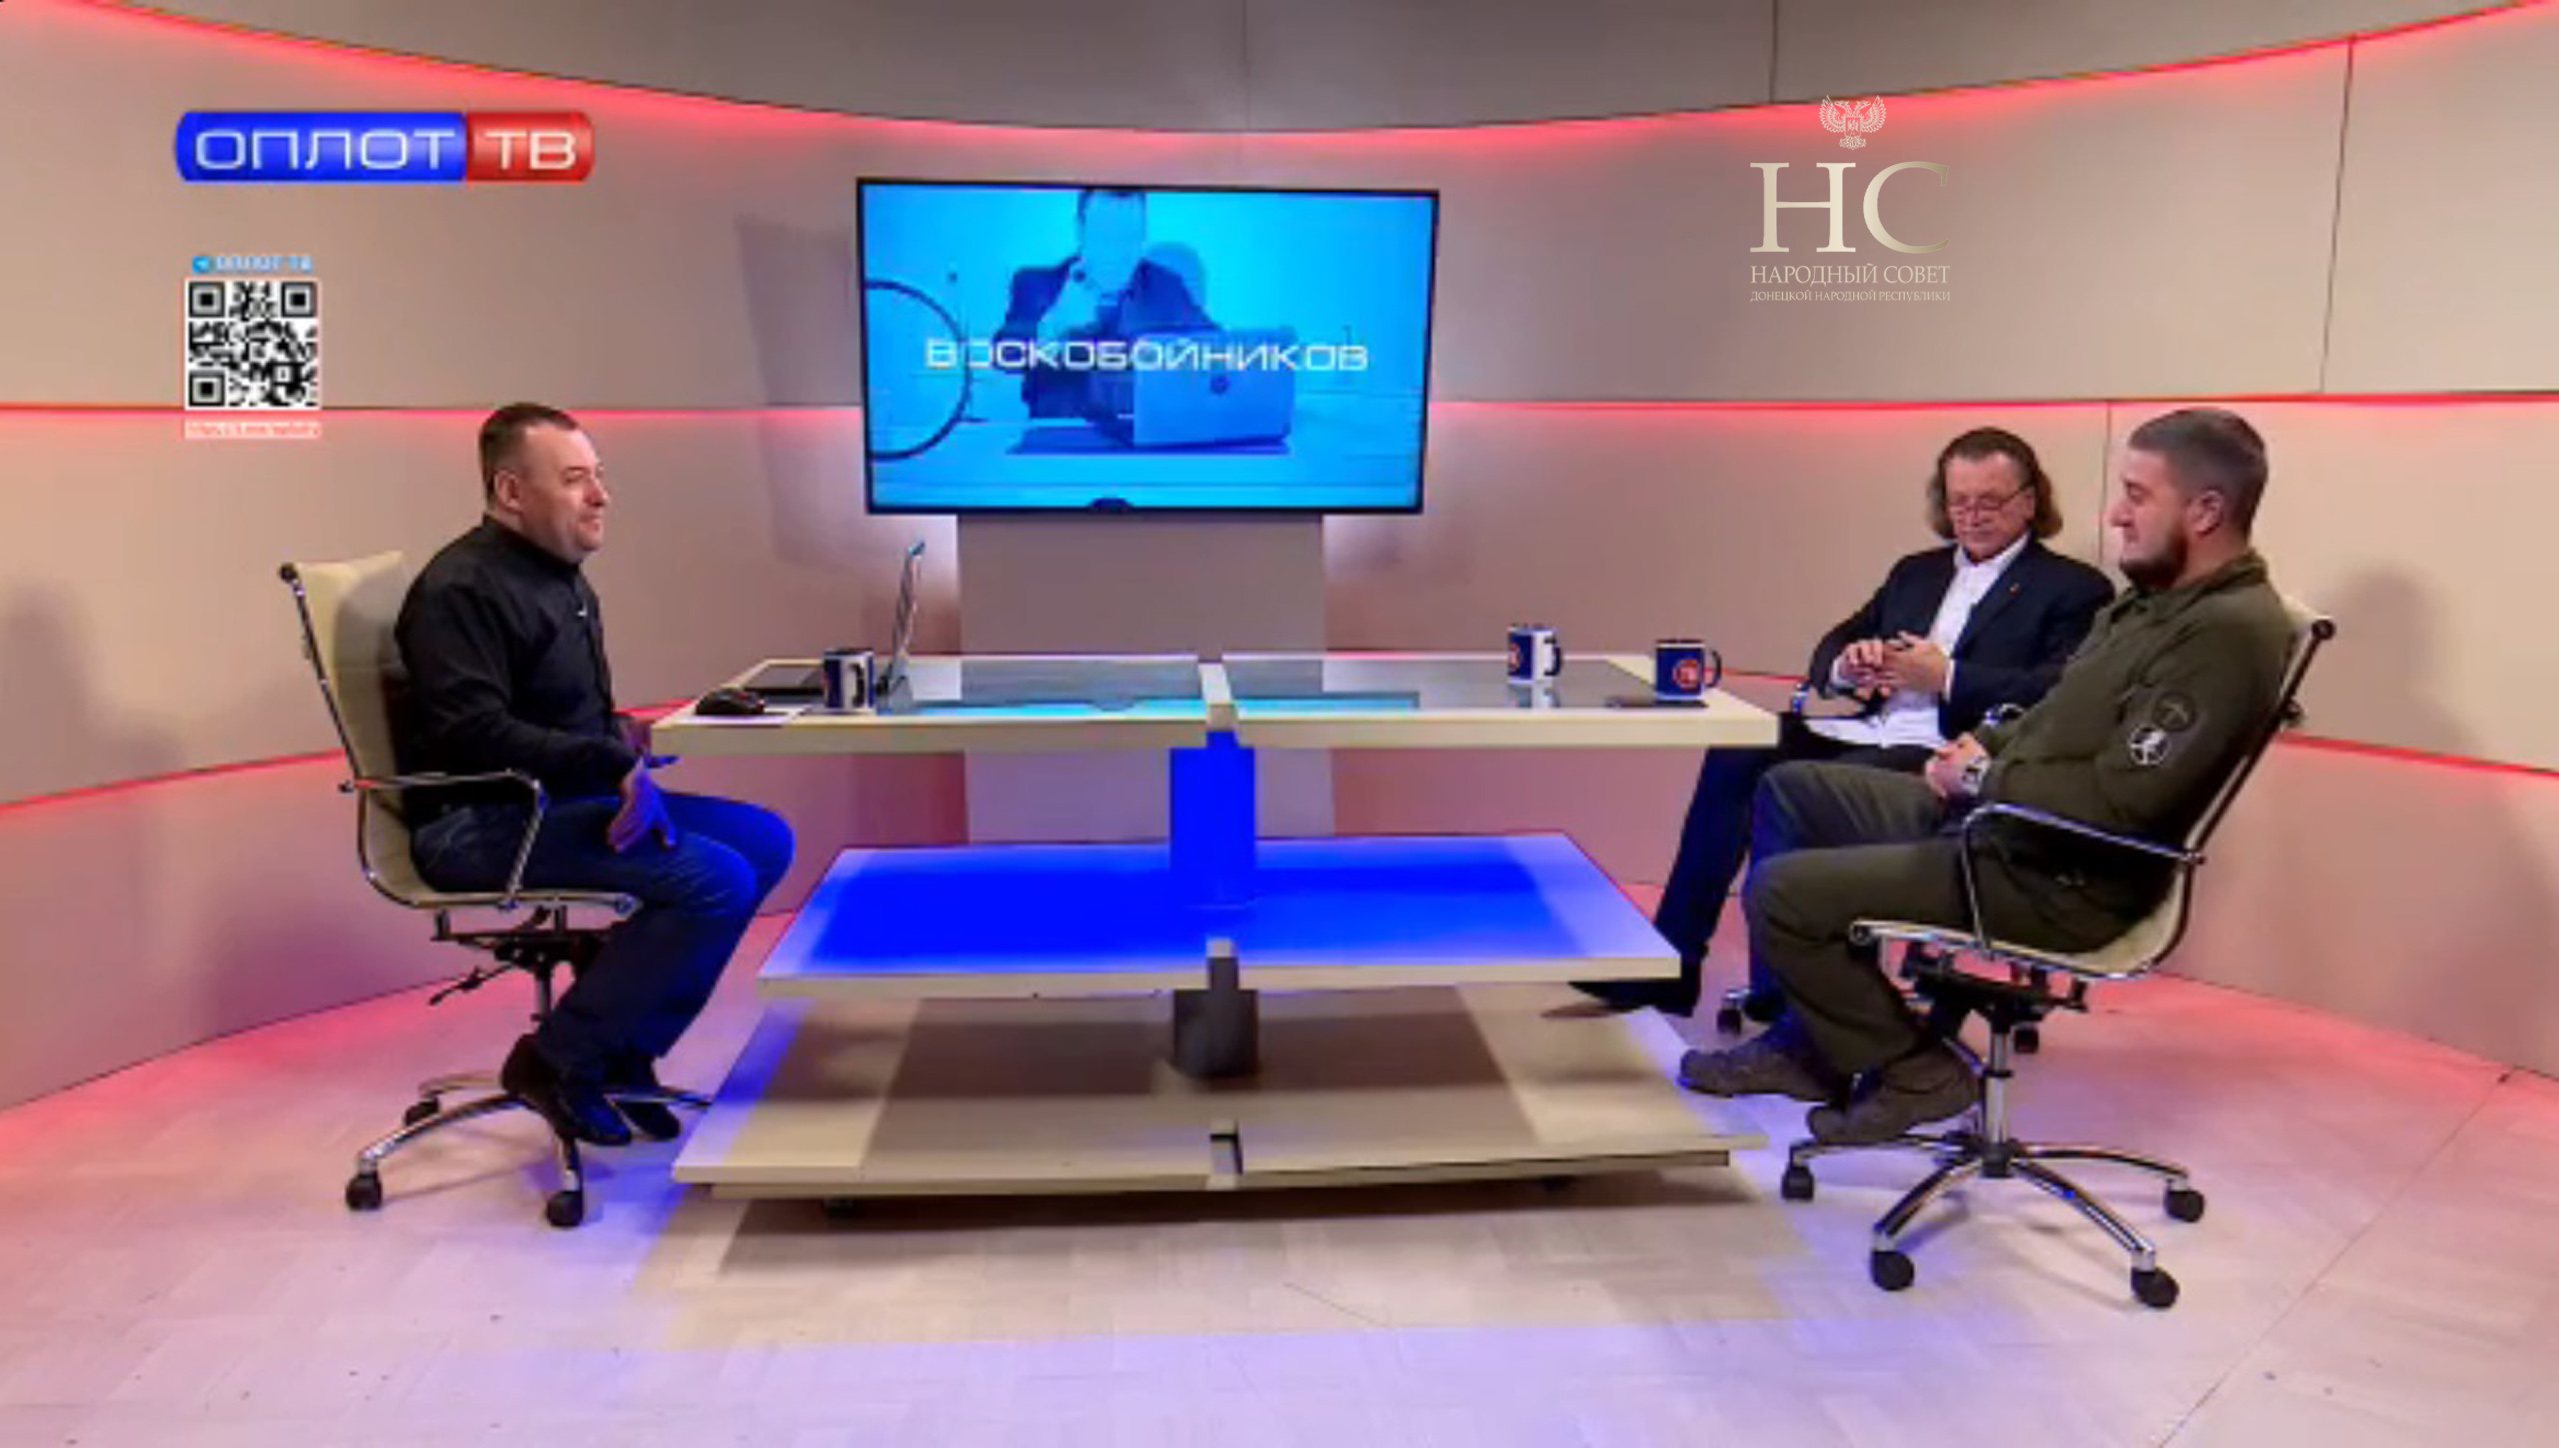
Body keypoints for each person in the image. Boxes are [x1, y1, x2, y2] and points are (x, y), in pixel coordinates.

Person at [1675, 408, 2294, 1145]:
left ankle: (1917, 1071)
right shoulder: (2151, 603)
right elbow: (2056, 708)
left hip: (2055, 876)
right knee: (1791, 787)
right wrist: (1985, 744)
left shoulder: (2226, 633)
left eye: (2135, 495)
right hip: (2006, 824)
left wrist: (1983, 776)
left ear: (2205, 510)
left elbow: (2123, 800)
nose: (2115, 515)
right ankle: (1809, 1044)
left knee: (1783, 893)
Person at [1579, 428, 2113, 1016]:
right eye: (1959, 501)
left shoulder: (2074, 589)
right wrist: (1847, 664)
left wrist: (1949, 677)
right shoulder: (1917, 572)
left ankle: (1786, 998)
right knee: (1739, 749)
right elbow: (1837, 641)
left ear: (2030, 500)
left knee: (1792, 786)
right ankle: (1674, 965)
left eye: (1990, 501)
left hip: (1948, 753)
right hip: (1868, 730)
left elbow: (2057, 694)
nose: (1972, 516)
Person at [394, 403, 795, 1147]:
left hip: (560, 802)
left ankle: (622, 1048)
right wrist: (611, 764)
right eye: (576, 479)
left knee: (766, 841)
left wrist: (627, 744)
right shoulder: (462, 589)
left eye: (599, 477)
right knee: (715, 881)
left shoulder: (561, 580)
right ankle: (557, 1059)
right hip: (480, 823)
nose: (601, 496)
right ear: (512, 492)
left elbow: (561, 718)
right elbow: (472, 731)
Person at [994, 187, 1214, 422]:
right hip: (1062, 437)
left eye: (1129, 237)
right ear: (1080, 231)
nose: (1117, 252)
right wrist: (1056, 323)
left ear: (1143, 234)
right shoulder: (1037, 286)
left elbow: (1218, 350)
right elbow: (1005, 356)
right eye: (1105, 236)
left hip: (1143, 435)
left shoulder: (1166, 287)